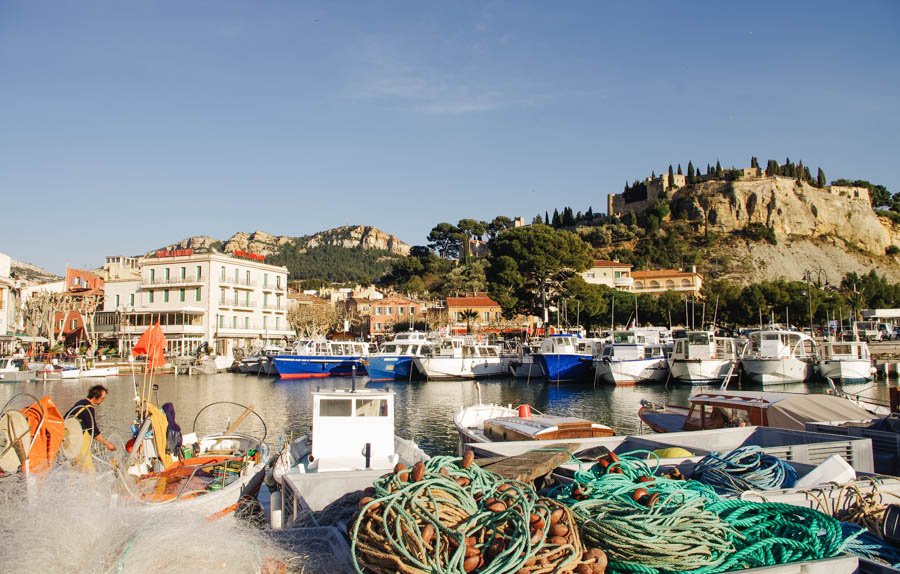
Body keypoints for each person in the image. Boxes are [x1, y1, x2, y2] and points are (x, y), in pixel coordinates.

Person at [65, 384, 116, 451]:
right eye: (102, 398)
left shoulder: (81, 402)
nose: (103, 400)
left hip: (68, 435)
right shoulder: (88, 408)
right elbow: (93, 430)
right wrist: (107, 444)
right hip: (75, 439)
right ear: (95, 397)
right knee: (85, 461)